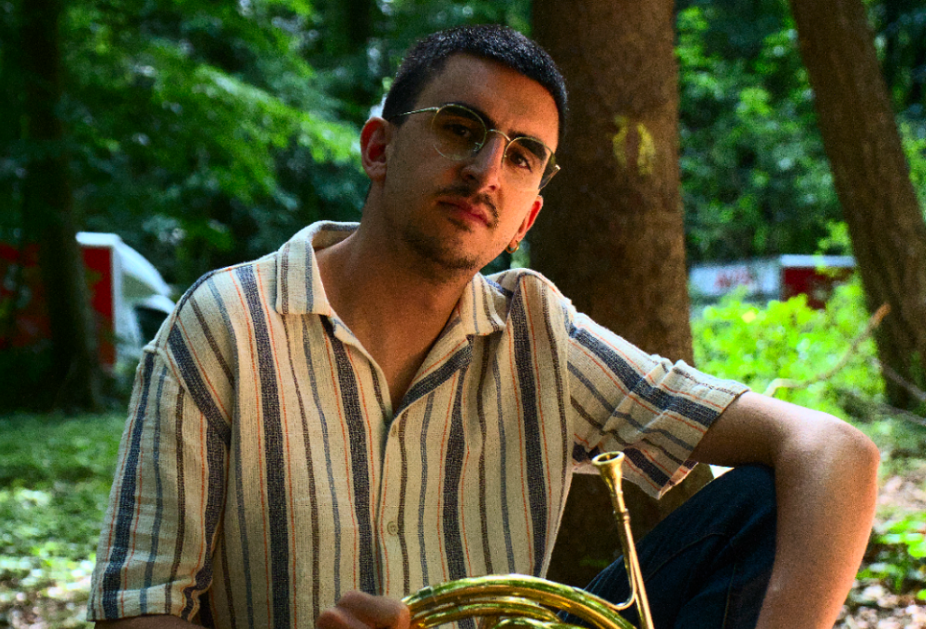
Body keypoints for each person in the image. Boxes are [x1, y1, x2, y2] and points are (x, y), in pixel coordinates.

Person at [88, 25, 879, 629]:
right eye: (461, 128)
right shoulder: (225, 322)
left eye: (522, 154)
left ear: (526, 218)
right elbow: (139, 604)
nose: (486, 172)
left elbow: (836, 452)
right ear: (379, 147)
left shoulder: (539, 330)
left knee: (761, 502)